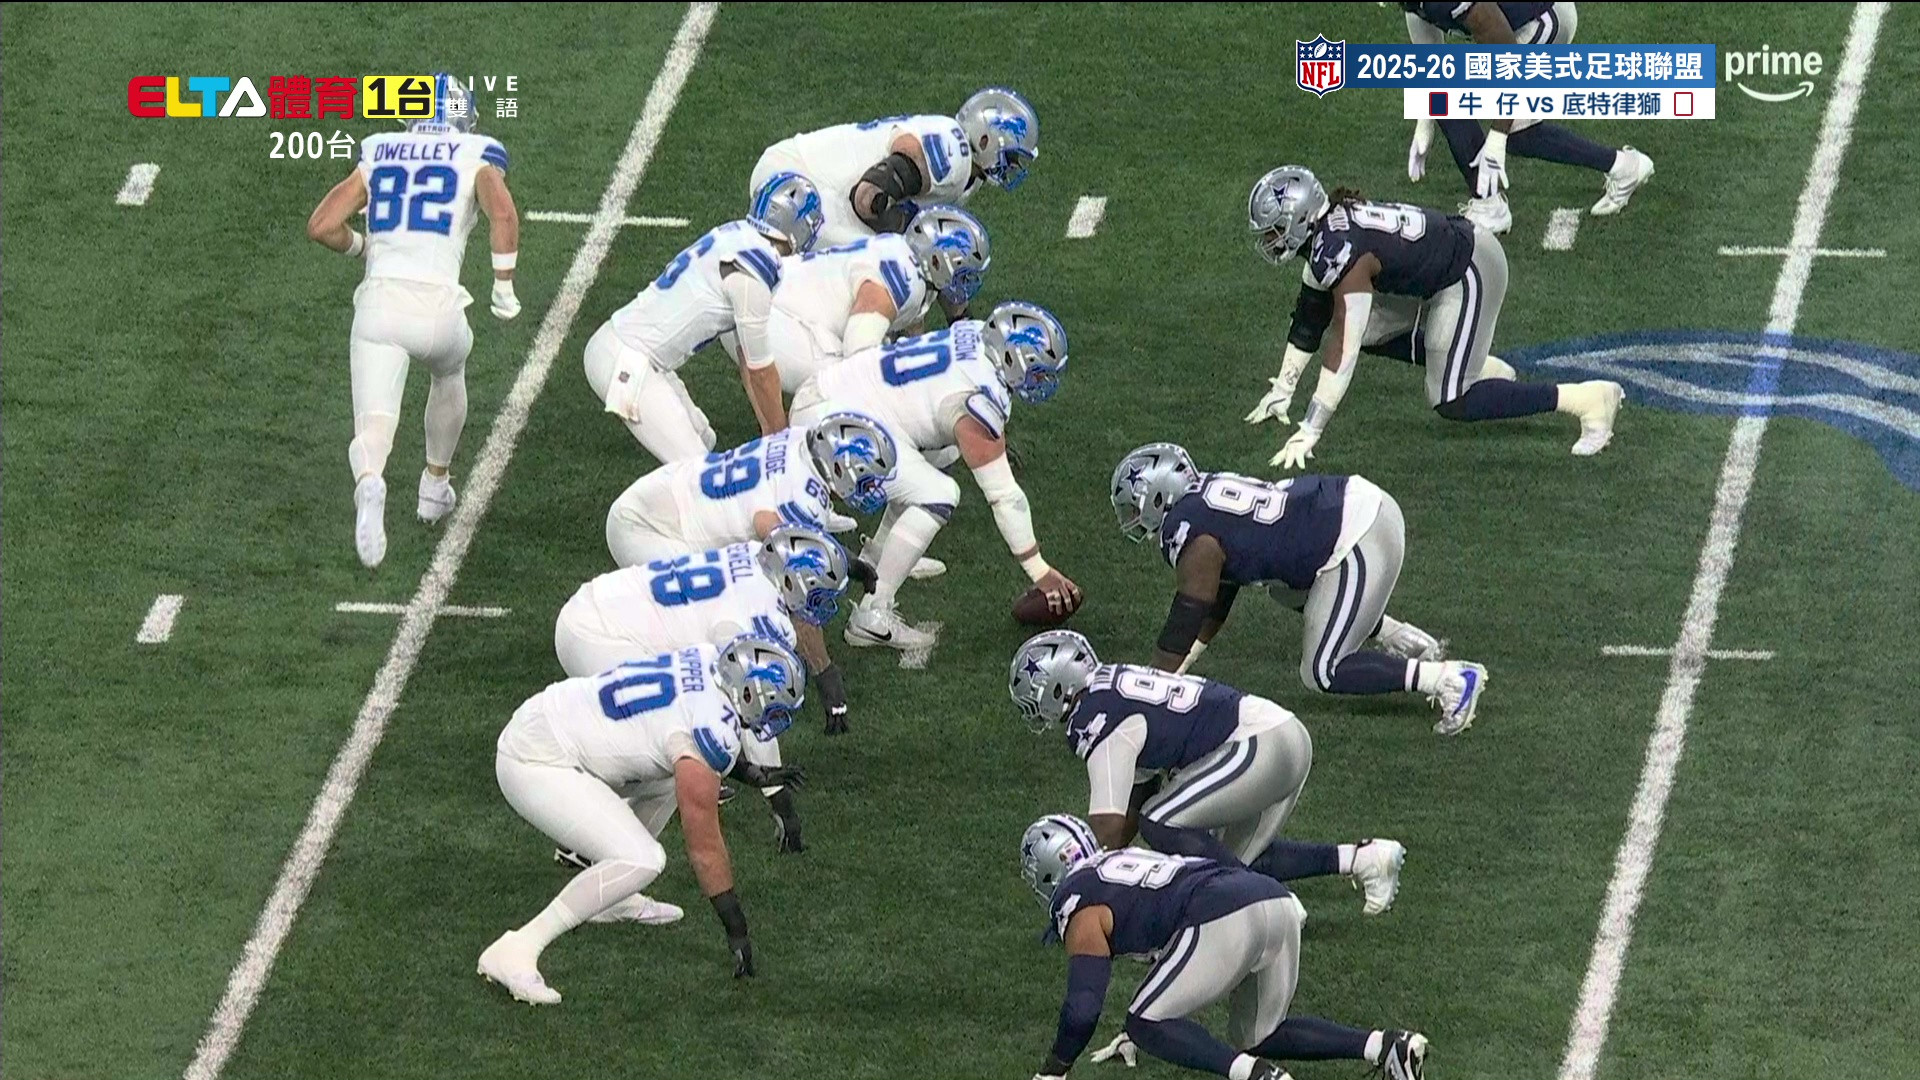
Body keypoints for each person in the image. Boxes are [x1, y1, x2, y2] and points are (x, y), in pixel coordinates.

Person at [480, 635, 805, 1003]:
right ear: (748, 692)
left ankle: (613, 900)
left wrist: (751, 773)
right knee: (644, 859)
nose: (775, 717)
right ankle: (517, 948)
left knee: (669, 779)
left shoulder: (706, 659)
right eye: (774, 706)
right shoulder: (708, 730)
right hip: (536, 760)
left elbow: (677, 732)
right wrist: (736, 927)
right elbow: (704, 848)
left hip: (552, 717)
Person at [1245, 166, 1623, 461]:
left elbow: (1343, 349)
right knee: (1369, 330)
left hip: (1470, 268)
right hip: (1447, 265)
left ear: (1299, 219)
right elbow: (1310, 317)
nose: (1269, 240)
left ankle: (1587, 399)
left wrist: (1311, 428)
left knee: (1451, 399)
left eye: (1274, 230)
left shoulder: (1341, 252)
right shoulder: (1329, 236)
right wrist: (1283, 389)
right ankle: (1477, 366)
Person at [1010, 630, 1404, 913]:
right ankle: (1363, 859)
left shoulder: (1091, 716)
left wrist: (1088, 882)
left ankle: (1274, 904)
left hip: (1256, 746)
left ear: (1057, 687)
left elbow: (1108, 824)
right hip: (1277, 736)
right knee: (1224, 863)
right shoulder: (1110, 686)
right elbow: (1135, 797)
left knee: (1162, 823)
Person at [1110, 443, 1487, 735]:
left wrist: (1150, 689)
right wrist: (1179, 668)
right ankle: (1404, 640)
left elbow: (1190, 610)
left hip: (1356, 537)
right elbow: (1220, 594)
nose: (1132, 518)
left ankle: (1450, 679)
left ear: (1157, 496)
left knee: (1324, 670)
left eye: (1133, 507)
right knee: (1282, 588)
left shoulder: (1185, 528)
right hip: (1354, 510)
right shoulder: (1204, 497)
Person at [1019, 814, 1430, 1080]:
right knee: (1260, 1032)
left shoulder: (1079, 902)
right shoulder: (1120, 861)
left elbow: (1083, 1008)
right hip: (1271, 897)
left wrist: (1053, 1071)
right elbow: (1164, 929)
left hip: (1222, 912)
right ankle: (1387, 1046)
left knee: (1145, 1021)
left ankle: (1259, 1077)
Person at [305, 72, 520, 567]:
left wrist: (363, 248)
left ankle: (370, 480)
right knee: (450, 369)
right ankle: (434, 487)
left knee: (373, 429)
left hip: (379, 306)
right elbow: (504, 215)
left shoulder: (380, 149)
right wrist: (503, 286)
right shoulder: (476, 152)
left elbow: (321, 225)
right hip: (439, 310)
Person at [789, 302, 1079, 651]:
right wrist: (1039, 570)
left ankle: (879, 555)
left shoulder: (975, 334)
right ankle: (873, 614)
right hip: (834, 425)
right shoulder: (977, 397)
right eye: (1038, 371)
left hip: (833, 395)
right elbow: (1004, 496)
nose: (1041, 380)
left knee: (942, 454)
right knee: (939, 494)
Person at [583, 180, 821, 461]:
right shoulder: (755, 267)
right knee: (699, 472)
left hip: (634, 352)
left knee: (705, 440)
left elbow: (749, 360)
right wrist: (782, 442)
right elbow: (760, 370)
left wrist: (771, 431)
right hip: (626, 359)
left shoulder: (738, 235)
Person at [1400, 2, 1654, 234]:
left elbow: (1509, 54)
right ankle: (1625, 167)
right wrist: (1425, 119)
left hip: (1540, 21)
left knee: (1509, 128)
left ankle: (1489, 207)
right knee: (1451, 99)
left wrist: (1497, 137)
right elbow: (1423, 30)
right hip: (1510, 26)